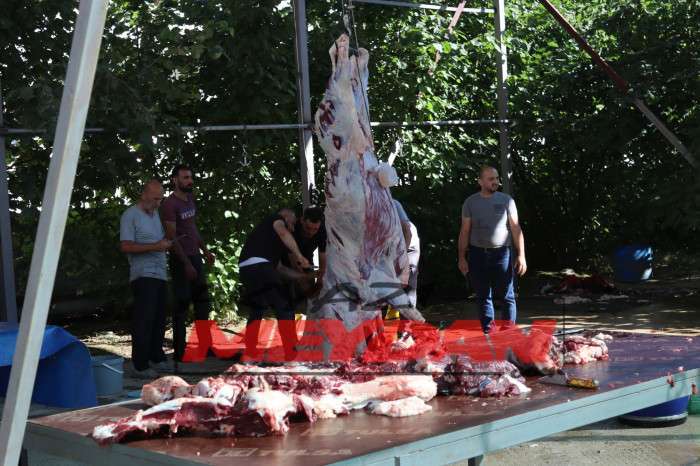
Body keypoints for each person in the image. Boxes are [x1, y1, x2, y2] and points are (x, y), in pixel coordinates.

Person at [457, 166, 527, 333]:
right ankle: (489, 331)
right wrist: (462, 257)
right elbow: (464, 231)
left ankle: (508, 331)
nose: (495, 182)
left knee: (507, 295)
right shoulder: (470, 202)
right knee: (482, 295)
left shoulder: (507, 200)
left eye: (496, 178)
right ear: (480, 182)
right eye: (491, 179)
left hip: (501, 253)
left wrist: (521, 256)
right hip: (477, 253)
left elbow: (516, 228)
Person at [238, 208, 311, 360]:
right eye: (292, 223)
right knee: (284, 306)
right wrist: (299, 256)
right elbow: (283, 232)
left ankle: (250, 352)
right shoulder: (276, 219)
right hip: (260, 267)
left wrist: (304, 276)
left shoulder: (268, 240)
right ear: (286, 216)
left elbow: (280, 269)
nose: (293, 228)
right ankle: (292, 353)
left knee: (257, 308)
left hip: (246, 269)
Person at [160, 164, 215, 363]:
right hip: (180, 259)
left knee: (203, 302)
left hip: (195, 256)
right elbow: (171, 237)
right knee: (182, 304)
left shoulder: (190, 199)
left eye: (190, 177)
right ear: (175, 180)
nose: (190, 181)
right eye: (185, 178)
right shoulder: (169, 204)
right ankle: (180, 350)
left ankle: (205, 346)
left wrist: (205, 251)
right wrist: (186, 264)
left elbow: (192, 228)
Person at [119, 180, 172, 378]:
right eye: (155, 199)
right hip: (143, 274)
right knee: (144, 319)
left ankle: (155, 357)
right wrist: (155, 246)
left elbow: (159, 241)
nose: (158, 203)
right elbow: (125, 246)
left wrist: (165, 244)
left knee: (159, 318)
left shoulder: (155, 214)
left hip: (160, 272)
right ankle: (139, 364)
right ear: (144, 195)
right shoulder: (130, 215)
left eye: (160, 199)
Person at [279, 206, 327, 305]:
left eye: (315, 229)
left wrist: (320, 277)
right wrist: (302, 278)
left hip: (307, 261)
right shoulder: (292, 227)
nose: (311, 232)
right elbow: (292, 258)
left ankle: (306, 304)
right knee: (290, 291)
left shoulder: (322, 230)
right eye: (308, 228)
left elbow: (322, 255)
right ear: (302, 220)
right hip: (286, 262)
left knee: (311, 293)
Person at [393, 199, 420, 308]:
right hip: (386, 247)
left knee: (407, 282)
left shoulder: (392, 204)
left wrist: (404, 266)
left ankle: (408, 316)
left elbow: (407, 231)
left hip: (407, 242)